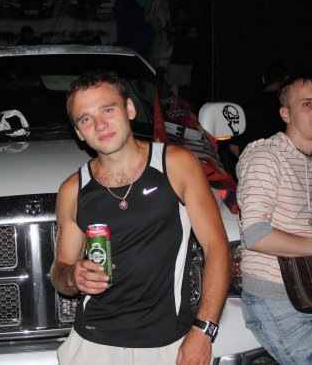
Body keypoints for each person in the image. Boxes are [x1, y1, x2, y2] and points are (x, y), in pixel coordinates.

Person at [51, 70, 231, 364]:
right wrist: (73, 276)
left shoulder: (176, 164)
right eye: (86, 119)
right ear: (79, 133)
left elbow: (217, 247)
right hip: (93, 343)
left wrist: (204, 330)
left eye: (108, 109)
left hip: (168, 343)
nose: (100, 124)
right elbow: (60, 271)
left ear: (130, 109)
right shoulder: (73, 189)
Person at [235, 74, 312, 365]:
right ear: (285, 114)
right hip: (277, 300)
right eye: (307, 104)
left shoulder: (307, 164)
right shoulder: (267, 157)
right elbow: (257, 235)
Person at [228, 60, 288, 157]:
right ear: (287, 79)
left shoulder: (244, 103)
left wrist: (248, 161)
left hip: (250, 161)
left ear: (263, 79)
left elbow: (233, 146)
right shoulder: (289, 105)